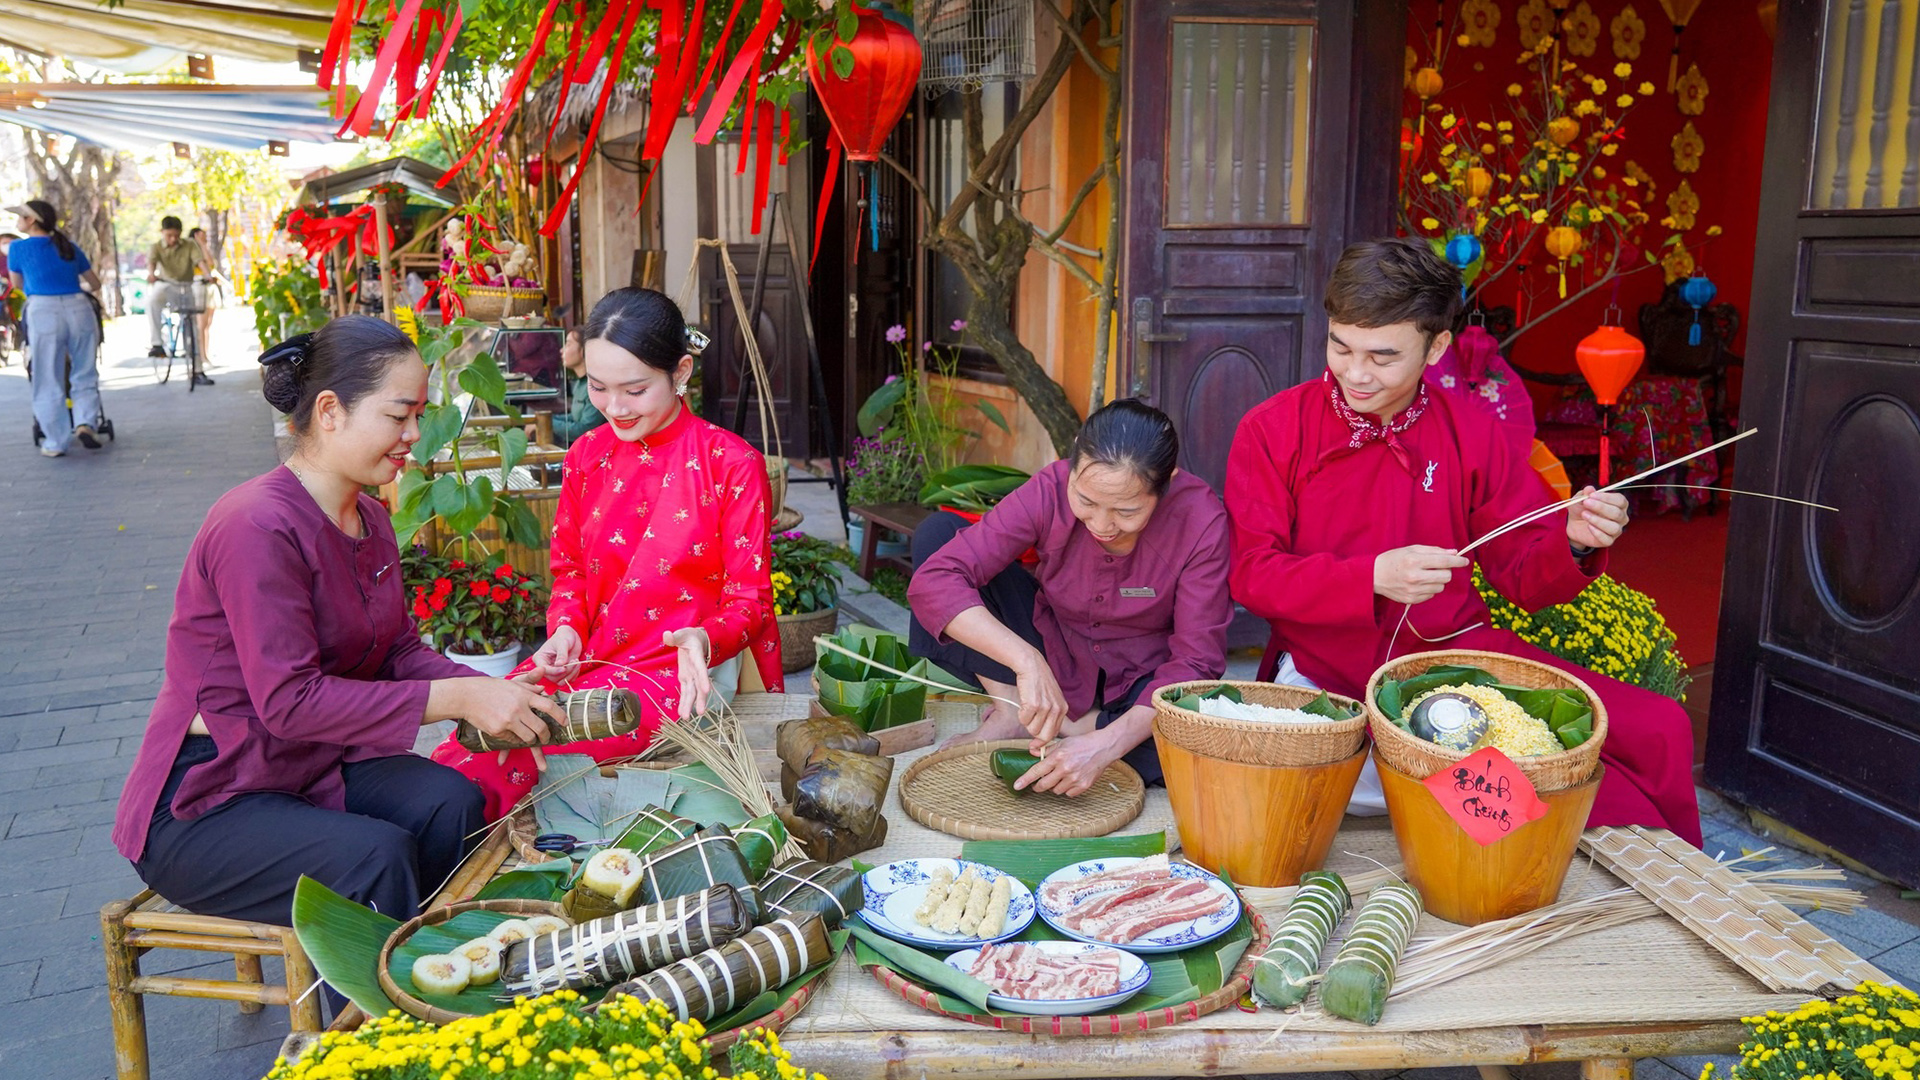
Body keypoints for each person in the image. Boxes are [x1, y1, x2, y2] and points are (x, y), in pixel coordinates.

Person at [1223, 238, 1701, 845]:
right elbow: (1253, 574)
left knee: (1657, 728)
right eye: (1340, 346)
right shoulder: (1272, 428)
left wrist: (1573, 540)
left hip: (1456, 658)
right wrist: (1370, 577)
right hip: (1326, 668)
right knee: (1520, 803)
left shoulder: (1471, 431)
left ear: (1436, 346)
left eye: (1383, 355)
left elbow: (1524, 572)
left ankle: (1677, 897)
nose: (1355, 372)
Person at [112, 315, 565, 933]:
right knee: (374, 858)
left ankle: (413, 953)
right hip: (211, 794)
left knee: (452, 802)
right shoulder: (255, 525)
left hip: (309, 765)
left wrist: (494, 695)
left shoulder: (371, 518)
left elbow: (399, 649)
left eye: (418, 416)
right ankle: (374, 1016)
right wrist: (460, 695)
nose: (413, 434)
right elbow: (289, 702)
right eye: (397, 415)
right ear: (329, 411)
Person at [431, 288, 783, 819]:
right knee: (479, 731)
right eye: (598, 387)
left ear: (681, 371)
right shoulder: (585, 456)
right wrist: (566, 629)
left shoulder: (732, 464)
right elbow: (569, 571)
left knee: (515, 755)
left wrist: (704, 638)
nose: (614, 408)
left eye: (636, 390)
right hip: (589, 655)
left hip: (680, 669)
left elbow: (750, 600)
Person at [905, 399, 1233, 797]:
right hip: (1054, 643)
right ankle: (1012, 708)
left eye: (1126, 511)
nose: (1102, 525)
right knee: (937, 537)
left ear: (1167, 482)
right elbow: (938, 580)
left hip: (1140, 680)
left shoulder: (1201, 519)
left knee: (1189, 743)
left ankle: (1080, 727)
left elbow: (1196, 659)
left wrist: (1107, 744)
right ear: (1074, 458)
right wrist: (1027, 661)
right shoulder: (1050, 487)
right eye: (1086, 501)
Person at [7, 200, 103, 458]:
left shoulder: (17, 248)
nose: (17, 221)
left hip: (43, 311)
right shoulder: (68, 246)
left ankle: (56, 441)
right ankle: (85, 423)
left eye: (21, 216)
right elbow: (95, 283)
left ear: (31, 221)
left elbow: (17, 286)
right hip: (79, 309)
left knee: (47, 376)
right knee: (84, 371)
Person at [148, 214, 213, 386]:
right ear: (162, 232)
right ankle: (157, 344)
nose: (173, 239)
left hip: (186, 287)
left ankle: (197, 371)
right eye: (169, 235)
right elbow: (152, 264)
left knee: (192, 329)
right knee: (153, 300)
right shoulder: (156, 247)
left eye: (176, 235)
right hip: (166, 285)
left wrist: (208, 276)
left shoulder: (189, 245)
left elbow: (199, 262)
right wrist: (151, 275)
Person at [549, 327, 607, 446]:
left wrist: (548, 423)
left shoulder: (595, 385)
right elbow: (576, 417)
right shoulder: (579, 383)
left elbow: (586, 429)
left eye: (568, 344)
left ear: (583, 351)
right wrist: (546, 418)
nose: (561, 350)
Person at [188, 226, 223, 368]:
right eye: (203, 234)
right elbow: (206, 266)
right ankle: (201, 356)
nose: (206, 237)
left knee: (207, 325)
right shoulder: (191, 250)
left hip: (209, 288)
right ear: (196, 235)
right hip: (199, 287)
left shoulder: (203, 248)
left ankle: (205, 354)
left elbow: (211, 264)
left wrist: (203, 245)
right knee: (201, 325)